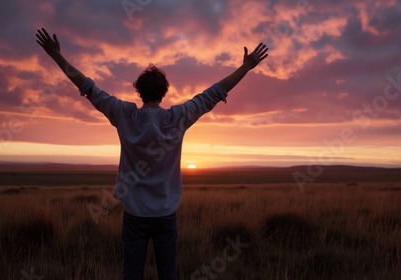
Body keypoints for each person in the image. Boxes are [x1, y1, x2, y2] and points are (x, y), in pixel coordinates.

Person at [36, 27, 268, 280]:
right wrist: (246, 67)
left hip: (134, 214)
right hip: (165, 215)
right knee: (168, 274)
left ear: (139, 91)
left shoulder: (124, 114)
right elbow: (213, 93)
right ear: (164, 92)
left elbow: (89, 88)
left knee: (132, 275)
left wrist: (56, 56)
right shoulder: (177, 117)